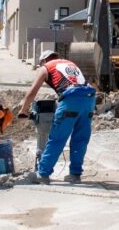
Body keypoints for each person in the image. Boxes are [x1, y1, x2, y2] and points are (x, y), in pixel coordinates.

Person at [18, 50, 96, 184]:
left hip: (71, 100)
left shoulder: (45, 67)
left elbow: (33, 91)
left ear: (43, 61)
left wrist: (23, 110)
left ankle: (43, 174)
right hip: (89, 100)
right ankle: (75, 175)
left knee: (57, 138)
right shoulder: (69, 63)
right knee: (80, 139)